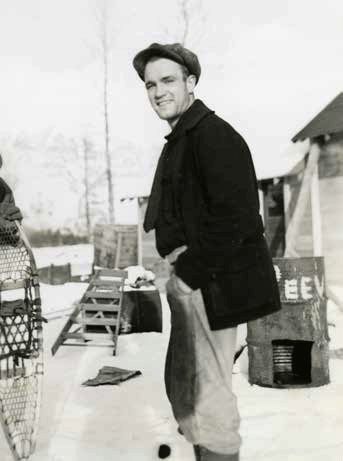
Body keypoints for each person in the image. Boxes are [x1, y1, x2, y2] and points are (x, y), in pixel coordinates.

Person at [132, 43, 281, 461]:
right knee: (189, 392)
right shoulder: (183, 137)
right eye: (150, 85)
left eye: (167, 81)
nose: (158, 92)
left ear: (191, 82)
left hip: (210, 281)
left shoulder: (213, 136)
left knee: (208, 394)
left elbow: (238, 218)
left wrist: (188, 275)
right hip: (195, 279)